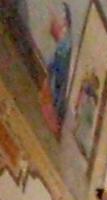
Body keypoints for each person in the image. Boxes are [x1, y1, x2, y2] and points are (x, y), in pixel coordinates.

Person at [40, 3, 72, 134]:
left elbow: (59, 41)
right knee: (50, 89)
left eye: (64, 17)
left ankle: (52, 117)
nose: (62, 20)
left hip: (58, 68)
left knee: (53, 91)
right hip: (57, 66)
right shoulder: (65, 36)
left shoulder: (67, 37)